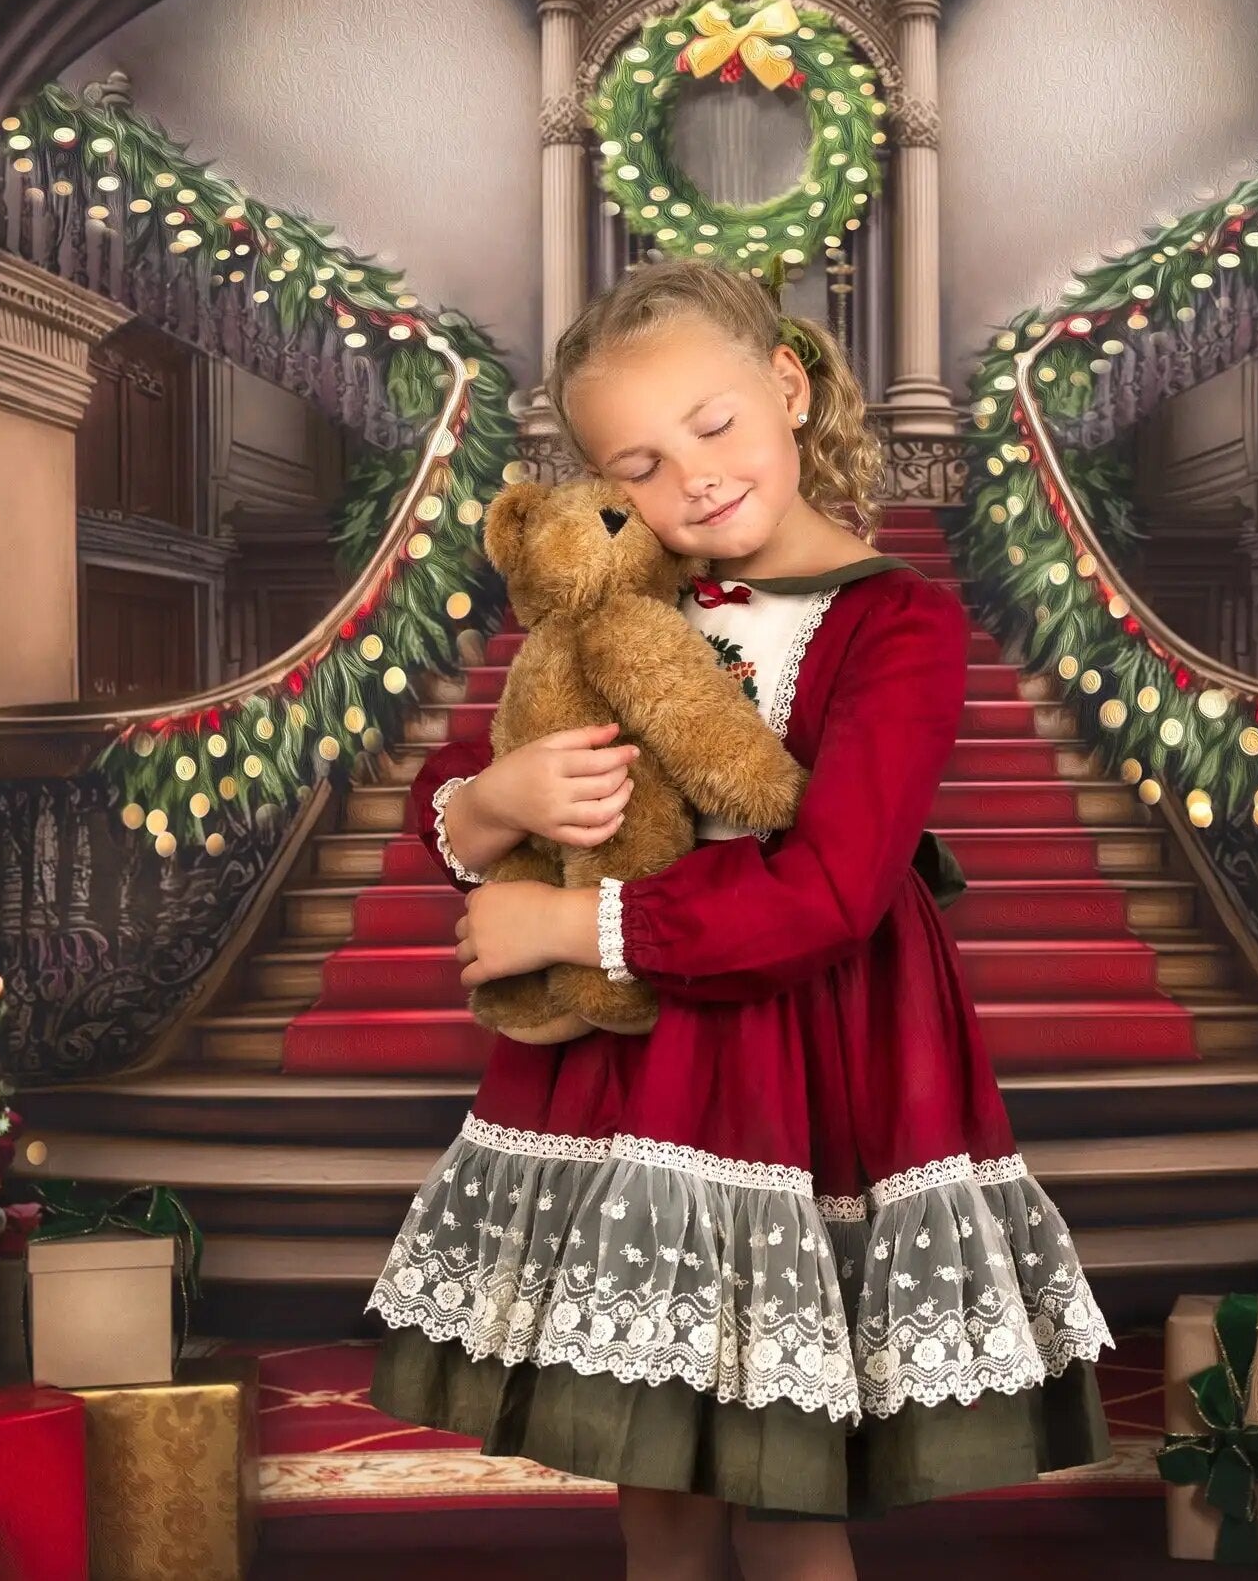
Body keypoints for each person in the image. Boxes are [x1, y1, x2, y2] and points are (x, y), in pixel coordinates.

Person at [367, 259, 1114, 1580]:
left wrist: (568, 927)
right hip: (633, 1082)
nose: (692, 481)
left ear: (788, 384)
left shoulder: (897, 621)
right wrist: (489, 802)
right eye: (639, 464)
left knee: (782, 1471)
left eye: (714, 425)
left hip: (806, 1059)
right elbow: (503, 756)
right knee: (657, 1464)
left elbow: (829, 890)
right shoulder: (624, 597)